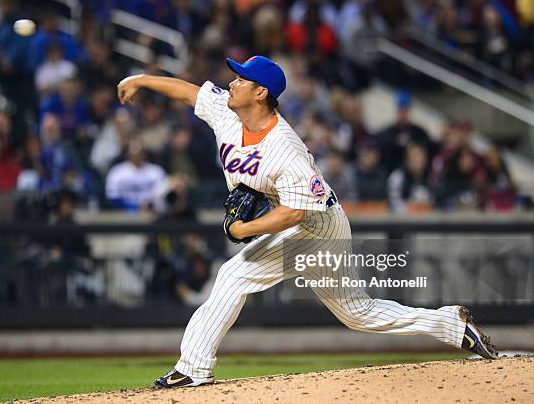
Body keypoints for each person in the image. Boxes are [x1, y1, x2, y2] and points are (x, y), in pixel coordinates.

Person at [116, 55, 499, 388]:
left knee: (235, 275)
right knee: (357, 313)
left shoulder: (285, 149)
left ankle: (194, 368)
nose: (231, 82)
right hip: (300, 222)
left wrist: (243, 230)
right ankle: (451, 325)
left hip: (319, 226)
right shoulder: (229, 114)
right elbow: (189, 92)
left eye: (241, 79)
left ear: (261, 93)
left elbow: (295, 213)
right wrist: (141, 80)